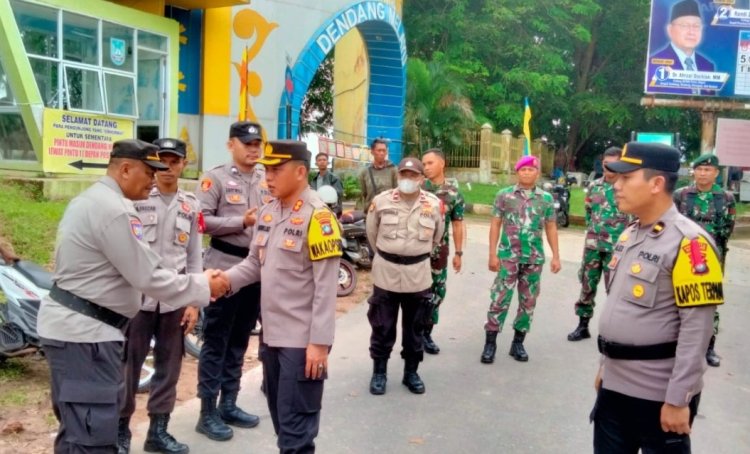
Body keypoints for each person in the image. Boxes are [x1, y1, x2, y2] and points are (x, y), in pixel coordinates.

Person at [36, 139, 228, 453]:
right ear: (125, 169)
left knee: (78, 432)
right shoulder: (114, 210)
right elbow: (149, 276)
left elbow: (187, 255)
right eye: (148, 171)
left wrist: (193, 293)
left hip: (85, 330)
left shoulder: (93, 200)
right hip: (87, 337)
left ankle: (155, 431)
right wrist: (204, 286)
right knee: (91, 437)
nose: (154, 178)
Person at [592, 142, 722, 453]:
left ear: (656, 183)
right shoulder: (630, 233)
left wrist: (680, 398)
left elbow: (698, 330)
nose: (616, 186)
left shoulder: (691, 244)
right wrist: (604, 366)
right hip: (614, 387)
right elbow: (620, 308)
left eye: (626, 179)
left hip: (658, 395)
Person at [221, 140, 342, 453]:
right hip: (271, 339)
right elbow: (252, 265)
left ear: (301, 172)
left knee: (296, 435)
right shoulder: (268, 211)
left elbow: (326, 289)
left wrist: (319, 343)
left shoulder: (320, 218)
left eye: (276, 170)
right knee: (282, 425)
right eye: (266, 170)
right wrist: (220, 282)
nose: (268, 177)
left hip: (301, 345)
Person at [117, 139, 200, 454]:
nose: (168, 168)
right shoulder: (136, 200)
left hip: (174, 302)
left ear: (183, 164)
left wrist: (193, 301)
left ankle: (158, 432)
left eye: (174, 161)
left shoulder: (190, 205)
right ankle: (121, 433)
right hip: (137, 301)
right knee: (129, 368)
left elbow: (194, 258)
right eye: (162, 161)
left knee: (169, 368)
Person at [194, 121, 270, 441]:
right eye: (246, 144)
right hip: (222, 269)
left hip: (255, 272)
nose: (253, 149)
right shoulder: (216, 178)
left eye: (257, 144)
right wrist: (242, 220)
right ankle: (207, 412)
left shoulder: (267, 178)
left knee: (240, 339)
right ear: (231, 145)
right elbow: (200, 220)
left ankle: (229, 403)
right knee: (216, 341)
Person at [366, 157, 444, 396]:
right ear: (398, 176)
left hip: (418, 276)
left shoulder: (434, 204)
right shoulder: (381, 201)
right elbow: (371, 233)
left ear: (422, 179)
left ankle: (411, 372)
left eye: (413, 175)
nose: (407, 179)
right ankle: (379, 372)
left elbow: (437, 237)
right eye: (404, 175)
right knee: (382, 327)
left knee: (415, 328)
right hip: (386, 273)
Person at [480, 155, 560, 364]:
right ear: (517, 172)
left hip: (534, 258)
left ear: (537, 173)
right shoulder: (504, 196)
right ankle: (490, 342)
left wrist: (556, 256)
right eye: (522, 169)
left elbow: (551, 227)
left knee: (528, 301)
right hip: (508, 256)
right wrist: (492, 254)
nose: (526, 173)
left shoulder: (546, 199)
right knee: (499, 298)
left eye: (531, 169)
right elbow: (495, 224)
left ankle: (518, 342)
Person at [673, 153, 735, 367]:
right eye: (699, 169)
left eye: (708, 170)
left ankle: (709, 346)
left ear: (716, 173)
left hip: (713, 258)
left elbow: (728, 228)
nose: (703, 173)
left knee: (710, 301)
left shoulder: (726, 198)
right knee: (676, 297)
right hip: (683, 255)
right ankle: (675, 343)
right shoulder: (681, 195)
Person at [568, 147, 631, 342]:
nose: (609, 168)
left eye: (613, 164)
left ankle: (614, 332)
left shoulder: (627, 187)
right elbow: (589, 212)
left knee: (616, 290)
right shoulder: (594, 186)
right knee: (587, 285)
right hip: (593, 246)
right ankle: (583, 326)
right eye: (606, 164)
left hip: (617, 249)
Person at [420, 149, 465, 354]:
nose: (426, 167)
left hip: (440, 251)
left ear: (442, 164)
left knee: (438, 291)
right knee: (417, 293)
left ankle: (427, 332)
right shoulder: (417, 188)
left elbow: (457, 223)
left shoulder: (453, 192)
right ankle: (415, 332)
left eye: (430, 163)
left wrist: (459, 253)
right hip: (416, 251)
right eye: (424, 164)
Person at [647, 0, 715, 95]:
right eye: (684, 25)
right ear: (670, 30)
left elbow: (708, 102)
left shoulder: (707, 65)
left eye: (696, 26)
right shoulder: (654, 63)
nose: (691, 32)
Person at [358, 138, 398, 208]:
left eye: (384, 151)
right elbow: (362, 194)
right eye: (379, 150)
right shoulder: (365, 172)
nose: (382, 153)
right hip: (371, 211)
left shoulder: (393, 170)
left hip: (388, 210)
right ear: (372, 152)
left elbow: (397, 191)